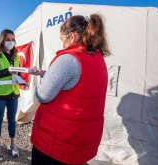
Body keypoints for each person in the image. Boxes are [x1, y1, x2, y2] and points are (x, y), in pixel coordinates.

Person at [30, 14, 111, 165]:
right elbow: (78, 84)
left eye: (63, 40)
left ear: (72, 36)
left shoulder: (69, 58)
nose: (63, 45)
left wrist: (38, 83)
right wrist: (46, 74)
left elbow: (43, 96)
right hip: (80, 139)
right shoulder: (98, 58)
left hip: (56, 142)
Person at [0, 29, 21, 157]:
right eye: (8, 39)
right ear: (2, 40)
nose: (10, 42)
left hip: (13, 92)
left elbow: (17, 73)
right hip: (0, 94)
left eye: (12, 39)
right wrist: (8, 71)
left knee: (12, 120)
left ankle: (12, 144)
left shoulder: (16, 55)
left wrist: (22, 80)